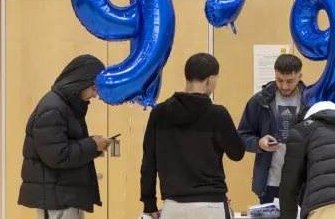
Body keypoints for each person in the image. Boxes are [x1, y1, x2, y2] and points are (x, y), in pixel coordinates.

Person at [140, 53, 245, 219]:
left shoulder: (159, 113)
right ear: (210, 79)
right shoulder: (217, 114)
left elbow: (149, 163)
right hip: (211, 205)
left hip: (172, 206)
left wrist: (149, 204)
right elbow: (237, 153)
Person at [18, 54, 114, 219]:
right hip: (57, 201)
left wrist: (93, 145)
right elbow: (57, 155)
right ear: (81, 83)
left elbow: (65, 145)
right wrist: (92, 145)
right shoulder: (54, 108)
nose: (95, 95)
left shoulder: (64, 106)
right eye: (93, 88)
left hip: (64, 197)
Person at [237, 53, 307, 204]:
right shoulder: (260, 100)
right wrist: (259, 144)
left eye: (290, 81)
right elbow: (242, 136)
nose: (284, 86)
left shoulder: (310, 101)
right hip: (270, 184)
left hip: (304, 183)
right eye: (279, 80)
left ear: (300, 76)